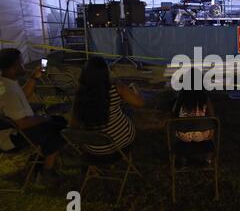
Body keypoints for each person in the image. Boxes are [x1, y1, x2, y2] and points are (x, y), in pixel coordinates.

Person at [0, 48, 67, 181]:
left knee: (58, 121)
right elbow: (21, 123)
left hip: (14, 131)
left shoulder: (6, 82)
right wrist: (44, 118)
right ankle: (47, 171)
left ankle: (41, 160)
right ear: (14, 66)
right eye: (21, 62)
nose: (24, 65)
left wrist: (34, 77)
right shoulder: (8, 91)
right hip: (13, 136)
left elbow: (23, 95)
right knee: (58, 130)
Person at [70, 57, 145, 161]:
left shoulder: (79, 96)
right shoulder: (116, 88)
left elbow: (73, 126)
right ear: (105, 73)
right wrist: (134, 87)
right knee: (128, 111)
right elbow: (140, 103)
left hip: (93, 151)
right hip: (121, 145)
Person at [172, 68, 215, 162]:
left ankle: (182, 158)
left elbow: (174, 114)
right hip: (203, 134)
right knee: (212, 125)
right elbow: (212, 116)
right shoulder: (204, 98)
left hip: (183, 135)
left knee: (175, 127)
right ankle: (208, 159)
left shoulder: (181, 98)